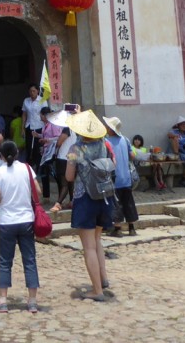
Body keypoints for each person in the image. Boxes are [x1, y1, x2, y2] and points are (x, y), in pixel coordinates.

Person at [65, 109, 113, 302]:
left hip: (84, 197)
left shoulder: (75, 150)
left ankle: (97, 290)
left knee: (89, 247)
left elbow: (69, 176)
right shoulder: (104, 145)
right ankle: (103, 278)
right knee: (98, 240)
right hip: (104, 195)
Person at [0, 139, 40, 314]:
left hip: (7, 221)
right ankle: (32, 301)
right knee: (29, 260)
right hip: (26, 219)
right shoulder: (27, 169)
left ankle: (3, 300)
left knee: (5, 261)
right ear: (17, 153)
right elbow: (38, 192)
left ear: (1, 156)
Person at [104, 117, 138, 236]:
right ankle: (131, 228)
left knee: (116, 203)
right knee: (129, 202)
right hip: (126, 177)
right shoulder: (125, 139)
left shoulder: (106, 142)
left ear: (110, 129)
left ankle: (117, 229)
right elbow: (132, 155)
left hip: (115, 178)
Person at [21, 84, 44, 165]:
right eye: (30, 91)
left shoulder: (42, 100)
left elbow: (45, 114)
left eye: (34, 91)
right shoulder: (26, 100)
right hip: (29, 126)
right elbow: (24, 114)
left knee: (38, 148)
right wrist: (22, 128)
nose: (32, 93)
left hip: (39, 126)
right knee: (29, 147)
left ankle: (38, 165)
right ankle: (29, 165)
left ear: (37, 91)